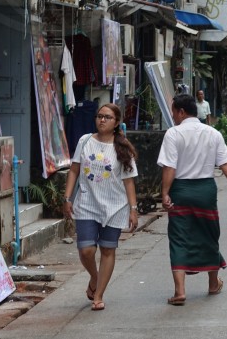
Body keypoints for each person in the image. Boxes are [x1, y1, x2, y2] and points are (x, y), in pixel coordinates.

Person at [158, 94, 227, 306]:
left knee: (179, 238)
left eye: (173, 111)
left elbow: (169, 167)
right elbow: (226, 165)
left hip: (181, 189)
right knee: (209, 235)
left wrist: (165, 193)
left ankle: (180, 291)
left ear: (181, 111)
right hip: (206, 190)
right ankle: (213, 283)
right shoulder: (212, 133)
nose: (172, 115)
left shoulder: (173, 134)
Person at [63, 103, 138, 311]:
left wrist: (133, 208)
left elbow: (129, 180)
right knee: (86, 250)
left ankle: (98, 295)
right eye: (99, 116)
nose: (101, 120)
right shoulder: (85, 141)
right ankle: (95, 278)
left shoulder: (122, 148)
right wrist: (67, 197)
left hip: (115, 206)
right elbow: (74, 170)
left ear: (116, 123)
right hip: (87, 203)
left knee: (107, 249)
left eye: (107, 117)